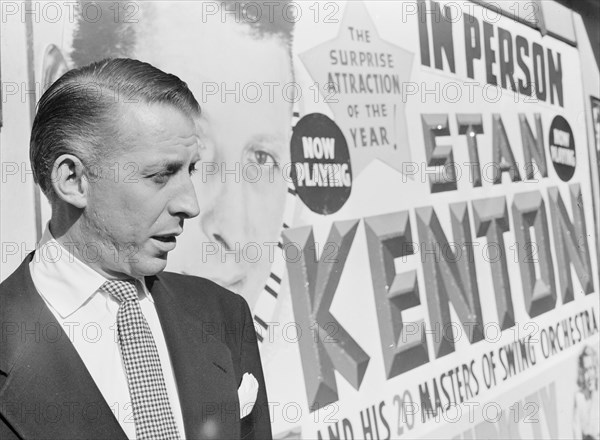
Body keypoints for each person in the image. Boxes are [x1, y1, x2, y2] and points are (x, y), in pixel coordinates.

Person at [0, 58, 271, 439]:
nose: (190, 205)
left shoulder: (224, 314)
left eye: (189, 171)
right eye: (160, 175)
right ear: (73, 180)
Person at [41, 0, 296, 311]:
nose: (234, 231)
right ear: (73, 176)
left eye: (261, 158)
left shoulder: (228, 321)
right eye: (175, 164)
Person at [573, 345, 600, 440]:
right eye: (585, 370)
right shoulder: (579, 398)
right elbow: (577, 432)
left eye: (592, 368)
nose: (589, 375)